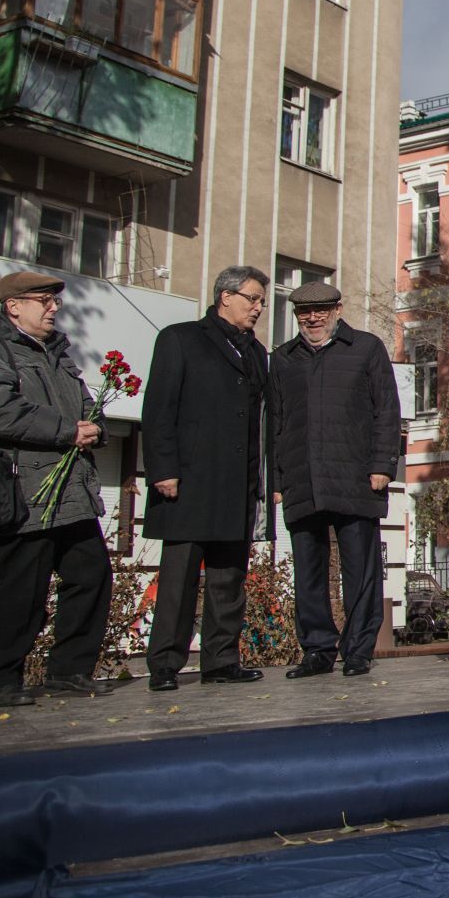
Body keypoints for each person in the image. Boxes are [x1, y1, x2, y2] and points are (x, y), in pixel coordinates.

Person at [0, 273, 115, 707]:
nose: (54, 308)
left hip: (70, 495)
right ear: (13, 306)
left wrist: (94, 428)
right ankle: (3, 682)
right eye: (43, 300)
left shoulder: (56, 352)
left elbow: (83, 405)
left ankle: (69, 672)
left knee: (91, 576)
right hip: (21, 492)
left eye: (55, 301)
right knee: (16, 592)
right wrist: (66, 431)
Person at [141, 265, 276, 691]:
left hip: (237, 483)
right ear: (225, 296)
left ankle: (220, 660)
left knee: (228, 577)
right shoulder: (180, 338)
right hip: (190, 481)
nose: (258, 308)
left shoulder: (255, 351)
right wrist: (163, 470)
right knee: (179, 578)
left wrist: (264, 481)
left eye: (261, 301)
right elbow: (159, 409)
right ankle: (165, 663)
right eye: (252, 299)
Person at [270, 282, 401, 679]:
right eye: (303, 313)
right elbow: (274, 422)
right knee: (308, 571)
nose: (312, 318)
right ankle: (317, 650)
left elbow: (387, 411)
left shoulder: (366, 348)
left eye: (321, 311)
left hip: (356, 476)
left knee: (360, 569)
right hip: (301, 477)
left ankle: (359, 650)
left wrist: (383, 466)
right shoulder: (283, 358)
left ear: (338, 310)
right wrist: (276, 478)